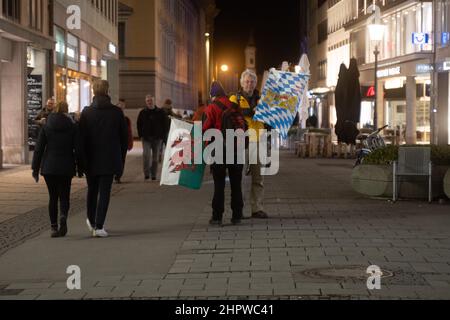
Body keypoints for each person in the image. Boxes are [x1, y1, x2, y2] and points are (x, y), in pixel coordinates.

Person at [79, 80, 128, 238]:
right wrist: (121, 160)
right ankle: (99, 226)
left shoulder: (86, 112)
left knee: (92, 191)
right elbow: (123, 139)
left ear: (93, 91)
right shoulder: (116, 112)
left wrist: (81, 161)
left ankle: (91, 221)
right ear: (108, 91)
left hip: (90, 159)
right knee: (104, 193)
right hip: (109, 159)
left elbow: (81, 139)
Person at [31, 101, 81, 238]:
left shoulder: (47, 126)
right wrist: (81, 167)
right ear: (66, 111)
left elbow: (39, 149)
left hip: (49, 166)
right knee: (64, 196)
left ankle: (53, 227)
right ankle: (63, 215)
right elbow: (78, 148)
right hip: (66, 166)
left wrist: (35, 168)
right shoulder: (72, 126)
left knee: (53, 197)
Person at [203, 81, 244, 226]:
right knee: (236, 184)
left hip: (219, 149)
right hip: (236, 149)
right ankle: (237, 215)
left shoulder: (211, 108)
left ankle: (217, 217)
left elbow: (205, 129)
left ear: (212, 95)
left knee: (219, 184)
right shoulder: (234, 106)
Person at [229, 69, 269, 219]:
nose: (249, 84)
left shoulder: (262, 99)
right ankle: (240, 209)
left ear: (255, 83)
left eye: (252, 81)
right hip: (242, 141)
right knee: (241, 177)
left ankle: (257, 208)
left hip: (259, 139)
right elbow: (232, 115)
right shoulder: (235, 98)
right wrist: (252, 112)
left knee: (258, 177)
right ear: (242, 83)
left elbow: (270, 117)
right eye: (246, 81)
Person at [137, 95, 168, 181]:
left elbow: (165, 124)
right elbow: (139, 124)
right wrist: (141, 135)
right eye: (147, 101)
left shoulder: (160, 112)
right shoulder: (142, 112)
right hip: (146, 138)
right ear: (146, 102)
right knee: (146, 156)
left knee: (155, 158)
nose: (149, 102)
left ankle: (153, 174)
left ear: (154, 101)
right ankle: (146, 173)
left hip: (157, 139)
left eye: (150, 100)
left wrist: (163, 136)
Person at [116, 99, 134, 183]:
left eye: (122, 105)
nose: (121, 106)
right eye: (119, 105)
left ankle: (118, 176)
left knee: (122, 159)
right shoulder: (113, 118)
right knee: (116, 159)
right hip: (114, 143)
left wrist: (130, 143)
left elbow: (129, 132)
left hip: (123, 143)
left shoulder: (126, 119)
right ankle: (116, 174)